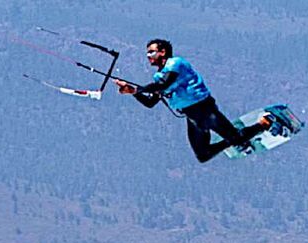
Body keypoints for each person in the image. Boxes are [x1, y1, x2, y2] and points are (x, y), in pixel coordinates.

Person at [115, 39, 271, 163]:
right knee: (203, 155)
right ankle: (234, 139)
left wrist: (140, 88)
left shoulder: (176, 63)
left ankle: (263, 123)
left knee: (236, 138)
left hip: (205, 109)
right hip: (192, 118)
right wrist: (133, 91)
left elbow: (164, 84)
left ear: (162, 52)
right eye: (147, 53)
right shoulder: (158, 76)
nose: (148, 56)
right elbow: (150, 103)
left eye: (151, 52)